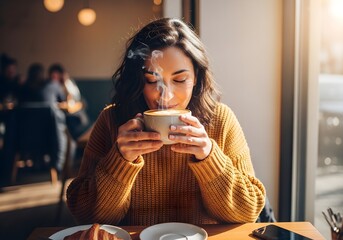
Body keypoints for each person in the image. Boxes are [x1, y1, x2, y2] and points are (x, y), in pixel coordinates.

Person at [67, 18, 266, 225]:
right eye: (152, 81)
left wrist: (209, 157)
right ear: (138, 80)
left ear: (196, 77)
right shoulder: (112, 121)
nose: (165, 97)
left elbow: (247, 212)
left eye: (180, 80)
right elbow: (84, 214)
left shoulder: (220, 120)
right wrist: (120, 159)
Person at [48, 63, 92, 142]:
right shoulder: (52, 86)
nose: (54, 79)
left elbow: (75, 104)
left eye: (55, 76)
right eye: (52, 76)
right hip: (65, 118)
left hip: (75, 117)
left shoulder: (68, 84)